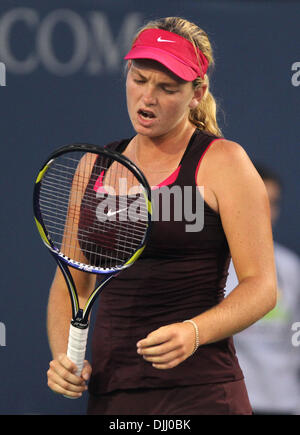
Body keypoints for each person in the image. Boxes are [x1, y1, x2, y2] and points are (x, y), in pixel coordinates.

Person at [46, 16, 277, 415]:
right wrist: (64, 358)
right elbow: (73, 282)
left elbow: (261, 287)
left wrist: (194, 331)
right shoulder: (92, 166)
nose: (147, 98)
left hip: (202, 392)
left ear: (196, 92)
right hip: (112, 393)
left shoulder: (224, 162)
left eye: (167, 88)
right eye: (139, 80)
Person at [225, 165, 300, 415]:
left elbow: (296, 333)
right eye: (256, 202)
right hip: (230, 403)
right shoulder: (213, 265)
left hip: (283, 403)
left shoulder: (290, 267)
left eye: (273, 203)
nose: (265, 212)